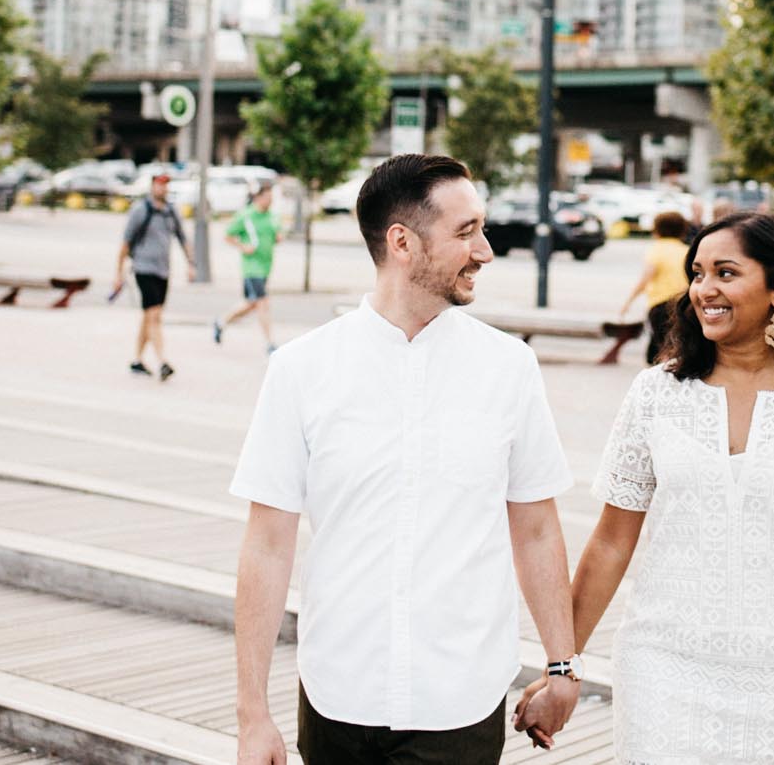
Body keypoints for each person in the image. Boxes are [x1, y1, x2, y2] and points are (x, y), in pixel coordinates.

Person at [229, 153, 581, 764]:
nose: (486, 250)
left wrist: (561, 668)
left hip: (460, 700)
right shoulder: (301, 370)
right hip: (337, 694)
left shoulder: (508, 368)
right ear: (403, 243)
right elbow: (267, 543)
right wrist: (252, 715)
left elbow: (537, 527)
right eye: (466, 232)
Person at [520, 209, 774, 765]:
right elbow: (611, 543)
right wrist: (561, 666)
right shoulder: (655, 394)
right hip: (662, 669)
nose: (703, 289)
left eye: (725, 272)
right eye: (696, 273)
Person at [111, 171, 190, 382]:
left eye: (165, 185)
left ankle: (137, 359)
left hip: (163, 270)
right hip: (143, 268)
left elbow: (183, 239)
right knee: (154, 315)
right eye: (159, 184)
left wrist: (191, 265)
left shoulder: (171, 211)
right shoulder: (140, 210)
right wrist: (118, 274)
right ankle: (162, 361)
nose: (162, 189)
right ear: (152, 186)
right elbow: (125, 243)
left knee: (149, 316)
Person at [619, 210, 690, 365]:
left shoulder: (656, 249)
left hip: (661, 304)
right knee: (674, 342)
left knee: (661, 344)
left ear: (657, 230)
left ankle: (661, 376)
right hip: (682, 304)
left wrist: (628, 302)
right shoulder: (686, 251)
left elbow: (645, 279)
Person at [217, 183, 280, 353]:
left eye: (271, 198)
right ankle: (270, 343)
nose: (270, 201)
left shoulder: (272, 216)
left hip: (266, 266)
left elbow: (277, 235)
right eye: (267, 198)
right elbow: (228, 235)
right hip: (252, 267)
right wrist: (243, 247)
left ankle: (221, 322)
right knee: (263, 302)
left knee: (251, 304)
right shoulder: (246, 216)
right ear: (258, 198)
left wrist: (278, 237)